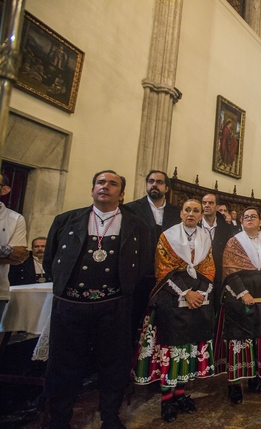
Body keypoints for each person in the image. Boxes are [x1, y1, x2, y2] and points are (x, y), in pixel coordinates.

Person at [42, 170, 151, 429]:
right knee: (63, 365)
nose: (106, 187)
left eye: (113, 184)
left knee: (113, 365)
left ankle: (110, 417)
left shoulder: (138, 226)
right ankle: (59, 419)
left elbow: (144, 265)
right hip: (70, 306)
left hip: (114, 306)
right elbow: (51, 260)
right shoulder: (66, 220)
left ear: (122, 194)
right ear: (92, 189)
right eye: (100, 182)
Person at [133, 199, 216, 422]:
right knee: (170, 350)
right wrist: (186, 293)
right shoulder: (167, 237)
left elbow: (208, 269)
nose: (191, 213)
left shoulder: (205, 237)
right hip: (170, 300)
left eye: (196, 211)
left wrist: (200, 294)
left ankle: (180, 394)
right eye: (187, 210)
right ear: (180, 213)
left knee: (187, 349)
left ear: (201, 215)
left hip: (196, 301)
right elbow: (163, 270)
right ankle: (166, 400)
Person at [215, 207, 261, 404]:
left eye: (253, 216)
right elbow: (230, 270)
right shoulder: (233, 242)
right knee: (239, 340)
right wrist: (242, 292)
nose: (249, 219)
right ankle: (235, 384)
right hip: (240, 300)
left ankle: (258, 379)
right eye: (245, 217)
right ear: (241, 221)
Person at [126, 170, 181, 345]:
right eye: (151, 181)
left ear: (166, 187)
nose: (154, 185)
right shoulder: (131, 209)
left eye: (158, 182)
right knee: (133, 318)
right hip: (139, 274)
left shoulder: (177, 212)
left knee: (163, 321)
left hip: (168, 275)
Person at [0, 174, 28, 318]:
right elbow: (11, 254)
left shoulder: (15, 218)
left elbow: (18, 257)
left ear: (4, 190)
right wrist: (7, 252)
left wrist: (11, 254)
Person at [200, 193, 233, 314]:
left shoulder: (226, 228)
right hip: (198, 275)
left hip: (218, 276)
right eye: (204, 203)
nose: (207, 205)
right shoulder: (195, 224)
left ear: (216, 206)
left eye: (210, 203)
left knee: (216, 310)